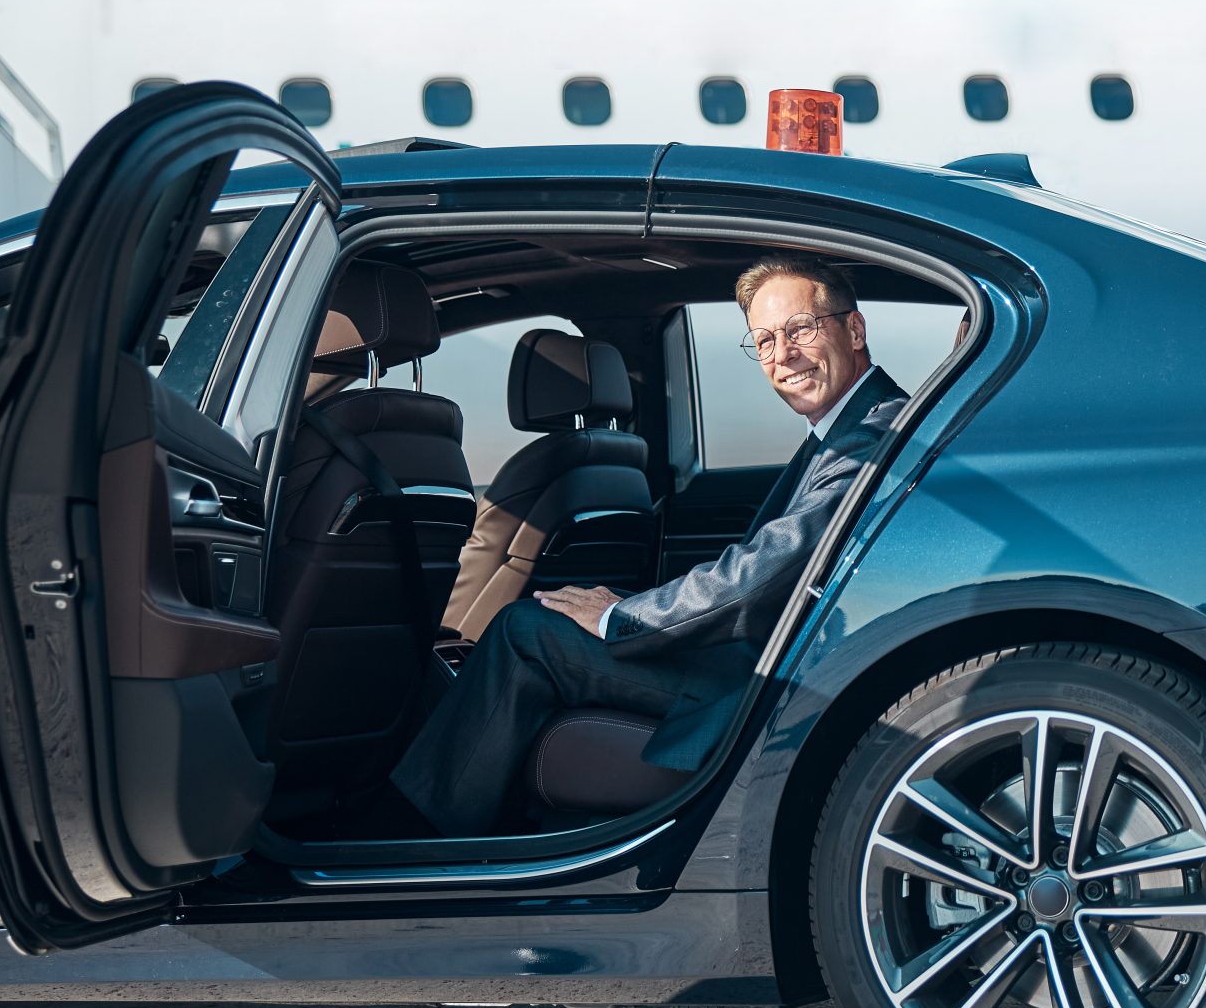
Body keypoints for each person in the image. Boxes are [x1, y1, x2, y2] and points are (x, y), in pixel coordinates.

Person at [385, 254, 908, 837]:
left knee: (524, 630)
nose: (782, 356)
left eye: (800, 330)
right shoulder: (846, 430)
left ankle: (418, 833)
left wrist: (620, 615)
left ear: (853, 330)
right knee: (538, 624)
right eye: (763, 340)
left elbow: (761, 577)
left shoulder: (870, 437)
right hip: (771, 658)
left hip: (771, 682)